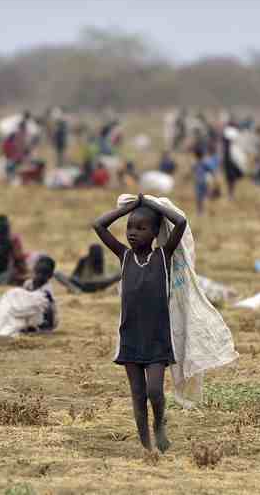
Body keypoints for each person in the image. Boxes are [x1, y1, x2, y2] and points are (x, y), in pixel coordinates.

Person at [93, 193, 188, 453]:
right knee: (137, 395)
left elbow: (180, 223)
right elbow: (98, 225)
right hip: (131, 336)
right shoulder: (124, 256)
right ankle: (146, 445)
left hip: (157, 338)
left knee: (155, 392)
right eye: (130, 228)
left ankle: (159, 424)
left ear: (155, 233)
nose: (132, 233)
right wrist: (130, 208)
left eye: (141, 228)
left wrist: (154, 205)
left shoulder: (162, 256)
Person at [54, 244, 122, 293]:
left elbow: (104, 276)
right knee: (57, 273)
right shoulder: (84, 260)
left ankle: (75, 290)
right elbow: (75, 275)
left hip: (97, 284)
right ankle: (75, 290)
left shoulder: (100, 260)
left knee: (121, 273)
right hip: (84, 284)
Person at [20, 256, 58, 333]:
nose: (39, 276)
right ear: (34, 271)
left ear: (50, 276)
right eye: (38, 273)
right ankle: (28, 325)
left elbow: (49, 308)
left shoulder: (47, 289)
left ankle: (45, 327)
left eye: (44, 274)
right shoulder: (28, 284)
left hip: (45, 317)